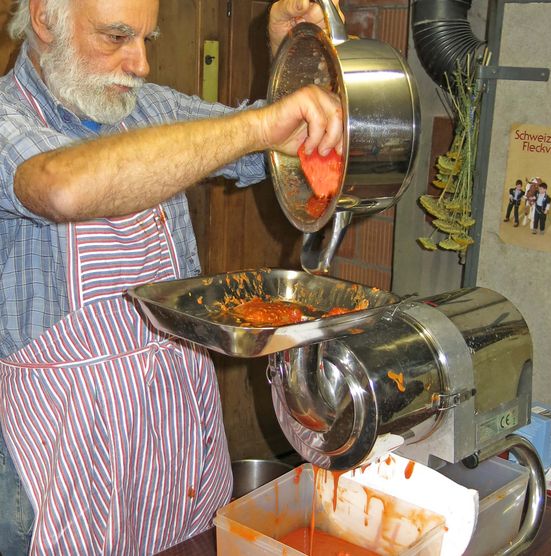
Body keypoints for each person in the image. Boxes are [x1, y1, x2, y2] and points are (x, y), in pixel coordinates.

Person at [0, 0, 344, 554]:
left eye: (147, 40)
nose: (140, 64)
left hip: (172, 430)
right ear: (44, 19)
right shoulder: (6, 119)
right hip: (64, 452)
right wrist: (253, 125)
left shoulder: (148, 107)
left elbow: (269, 148)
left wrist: (293, 62)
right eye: (116, 38)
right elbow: (62, 187)